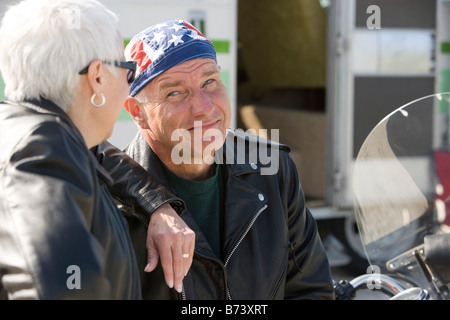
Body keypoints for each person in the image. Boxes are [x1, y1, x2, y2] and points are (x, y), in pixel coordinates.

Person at [97, 19, 334, 299]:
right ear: (137, 112)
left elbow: (310, 290)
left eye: (209, 82)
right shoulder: (108, 204)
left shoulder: (273, 170)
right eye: (174, 92)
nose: (204, 108)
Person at [0, 0, 184, 300]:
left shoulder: (30, 134)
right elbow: (61, 288)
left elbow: (98, 152)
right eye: (127, 70)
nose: (129, 86)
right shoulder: (41, 148)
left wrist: (158, 204)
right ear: (98, 76)